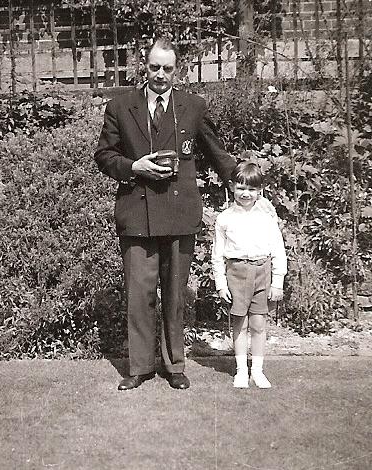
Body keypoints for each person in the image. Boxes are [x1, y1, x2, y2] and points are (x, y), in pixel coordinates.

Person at [94, 37, 236, 390]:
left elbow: (217, 153)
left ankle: (174, 366)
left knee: (174, 295)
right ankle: (139, 367)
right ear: (146, 66)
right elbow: (104, 156)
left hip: (178, 213)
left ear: (177, 70)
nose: (160, 74)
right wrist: (134, 166)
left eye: (167, 69)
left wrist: (247, 184)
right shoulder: (120, 107)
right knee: (139, 295)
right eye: (155, 67)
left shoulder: (193, 106)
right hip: (137, 215)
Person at [211, 161, 287, 389]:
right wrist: (221, 284)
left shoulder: (266, 218)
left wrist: (277, 282)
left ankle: (258, 371)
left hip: (262, 273)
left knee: (258, 324)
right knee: (240, 324)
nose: (246, 193)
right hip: (236, 273)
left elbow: (278, 251)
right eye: (241, 188)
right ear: (232, 186)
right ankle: (241, 371)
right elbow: (217, 255)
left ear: (259, 191)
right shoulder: (224, 218)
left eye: (252, 189)